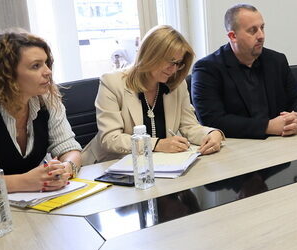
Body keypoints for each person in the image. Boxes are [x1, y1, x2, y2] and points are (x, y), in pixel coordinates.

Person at [0, 30, 82, 199]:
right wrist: (23, 182)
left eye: (46, 63)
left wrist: (65, 169)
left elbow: (70, 149)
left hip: (35, 203)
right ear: (6, 74)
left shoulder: (46, 100)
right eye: (36, 66)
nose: (48, 71)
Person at [83, 25, 223, 164]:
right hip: (110, 164)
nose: (173, 69)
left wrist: (212, 133)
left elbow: (189, 126)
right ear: (150, 55)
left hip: (156, 165)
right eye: (170, 61)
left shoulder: (177, 85)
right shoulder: (112, 83)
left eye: (178, 63)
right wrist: (157, 144)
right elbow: (110, 139)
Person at [191, 4, 297, 139]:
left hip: (281, 140)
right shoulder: (207, 69)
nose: (261, 35)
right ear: (233, 36)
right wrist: (267, 127)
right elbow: (212, 120)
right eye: (253, 30)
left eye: (262, 28)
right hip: (238, 146)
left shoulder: (276, 60)